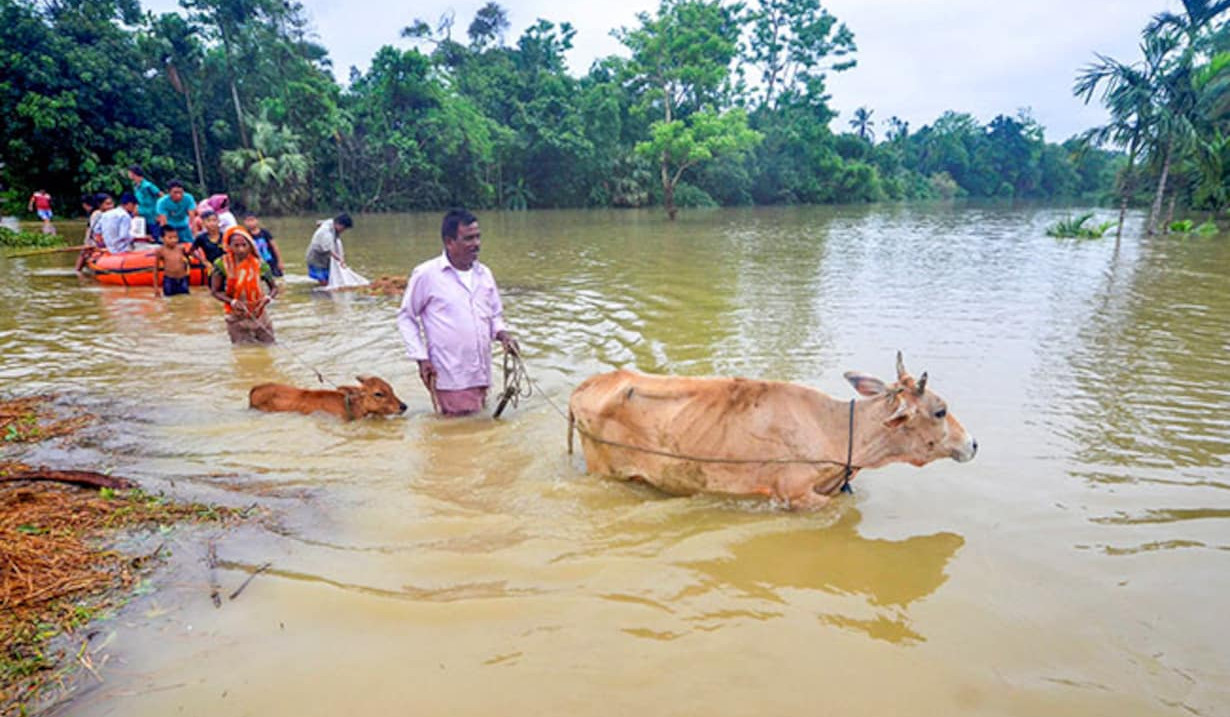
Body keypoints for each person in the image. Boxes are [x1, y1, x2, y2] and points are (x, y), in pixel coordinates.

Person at [396, 209, 519, 416]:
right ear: (449, 241)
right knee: (461, 432)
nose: (476, 243)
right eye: (468, 238)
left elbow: (494, 315)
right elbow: (406, 317)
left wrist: (503, 335)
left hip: (481, 373)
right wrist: (421, 358)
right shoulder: (427, 274)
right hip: (449, 374)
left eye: (478, 237)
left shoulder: (484, 274)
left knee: (475, 430)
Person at [209, 227, 279, 345]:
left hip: (259, 313)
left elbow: (274, 288)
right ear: (229, 246)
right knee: (242, 352)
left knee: (269, 346)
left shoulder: (260, 265)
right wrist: (233, 302)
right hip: (236, 315)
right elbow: (215, 291)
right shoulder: (221, 264)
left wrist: (266, 300)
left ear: (250, 246)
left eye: (244, 245)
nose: (240, 249)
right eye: (236, 245)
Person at [304, 213, 353, 285]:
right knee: (323, 282)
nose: (343, 231)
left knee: (328, 279)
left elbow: (319, 222)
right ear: (338, 224)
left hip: (325, 258)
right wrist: (341, 260)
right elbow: (330, 251)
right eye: (343, 228)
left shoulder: (332, 223)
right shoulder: (326, 233)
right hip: (315, 258)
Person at [152, 227, 192, 297]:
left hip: (182, 279)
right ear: (162, 238)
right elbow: (155, 269)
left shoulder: (181, 248)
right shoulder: (160, 251)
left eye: (176, 237)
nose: (174, 240)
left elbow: (188, 259)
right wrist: (156, 287)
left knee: (186, 300)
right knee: (169, 301)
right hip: (169, 280)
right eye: (170, 238)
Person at [128, 166, 163, 242]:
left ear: (133, 174)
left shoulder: (148, 186)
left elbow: (161, 196)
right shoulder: (135, 186)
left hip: (152, 214)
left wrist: (160, 213)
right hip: (141, 214)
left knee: (155, 238)